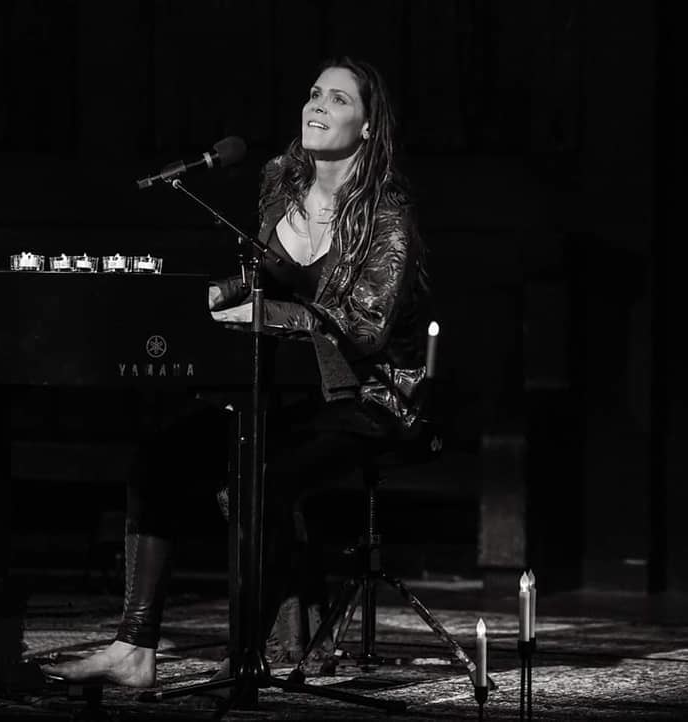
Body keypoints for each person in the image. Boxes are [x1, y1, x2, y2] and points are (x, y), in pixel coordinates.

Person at [42, 56, 431, 688]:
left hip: (373, 397)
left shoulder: (388, 210)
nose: (318, 105)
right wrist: (209, 297)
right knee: (160, 459)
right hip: (297, 388)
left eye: (338, 99)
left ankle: (252, 651)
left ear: (367, 125)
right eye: (314, 94)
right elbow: (265, 276)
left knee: (256, 477)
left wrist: (262, 310)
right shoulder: (282, 179)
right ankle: (134, 648)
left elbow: (365, 327)